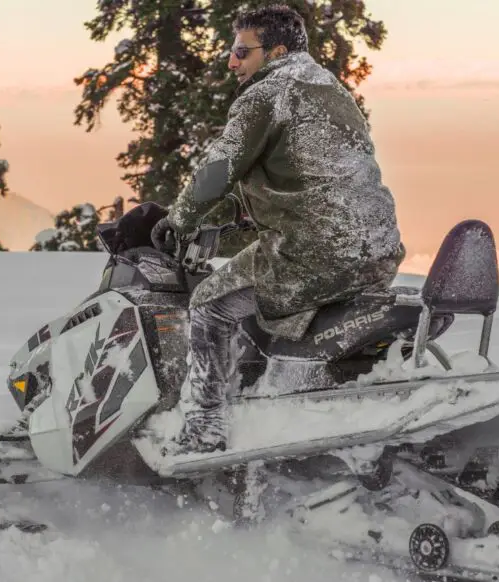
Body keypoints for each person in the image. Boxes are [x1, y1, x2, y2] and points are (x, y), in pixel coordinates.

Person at [152, 4, 405, 455]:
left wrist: (180, 219)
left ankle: (205, 426)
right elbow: (310, 177)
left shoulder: (267, 93)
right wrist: (239, 212)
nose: (231, 61)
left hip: (313, 252)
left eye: (241, 52)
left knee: (209, 304)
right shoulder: (330, 89)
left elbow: (217, 168)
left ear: (276, 52)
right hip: (376, 250)